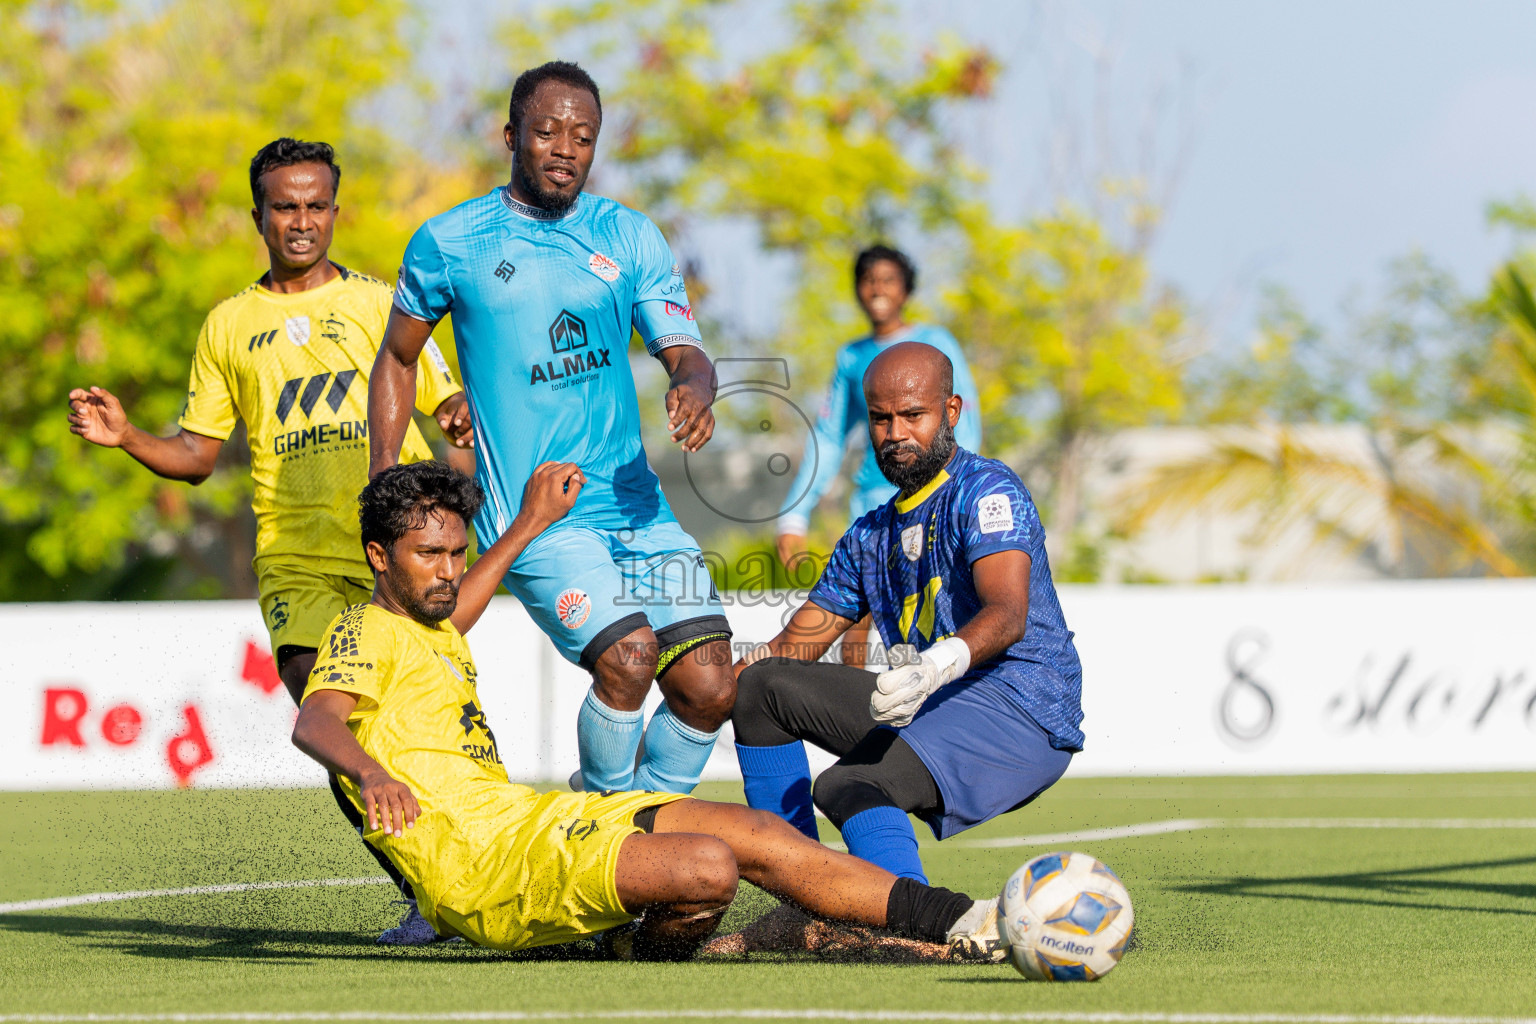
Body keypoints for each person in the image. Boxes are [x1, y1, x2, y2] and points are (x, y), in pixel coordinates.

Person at [291, 459, 1007, 961]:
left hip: (529, 823)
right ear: (379, 558)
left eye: (455, 551)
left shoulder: (428, 625)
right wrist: (371, 774)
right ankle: (624, 944)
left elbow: (467, 595)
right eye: (427, 555)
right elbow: (316, 718)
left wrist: (530, 522)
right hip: (483, 870)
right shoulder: (364, 628)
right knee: (707, 869)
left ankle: (966, 920)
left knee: (753, 830)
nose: (447, 570)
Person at [66, 137, 473, 944]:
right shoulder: (229, 326)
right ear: (258, 215)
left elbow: (446, 403)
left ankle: (464, 869)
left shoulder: (383, 305)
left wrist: (458, 417)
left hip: (391, 561)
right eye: (284, 206)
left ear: (334, 210)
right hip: (294, 559)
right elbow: (197, 457)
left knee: (413, 723)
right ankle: (425, 892)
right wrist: (128, 437)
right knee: (331, 717)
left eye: (316, 205)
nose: (301, 221)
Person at [368, 61, 735, 798]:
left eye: (583, 136)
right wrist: (382, 482)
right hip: (540, 516)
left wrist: (694, 387)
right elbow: (397, 358)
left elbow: (685, 352)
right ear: (512, 136)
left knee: (710, 686)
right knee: (629, 659)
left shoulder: (628, 236)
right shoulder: (450, 242)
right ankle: (607, 836)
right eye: (547, 132)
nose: (565, 148)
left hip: (635, 507)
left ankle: (648, 819)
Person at [733, 342, 1083, 886]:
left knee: (847, 785)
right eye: (880, 419)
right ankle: (809, 902)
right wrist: (686, 713)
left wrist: (934, 666)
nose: (894, 433)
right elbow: (791, 650)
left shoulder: (986, 489)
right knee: (761, 686)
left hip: (1021, 711)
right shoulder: (868, 535)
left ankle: (915, 923)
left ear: (952, 412)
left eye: (912, 415)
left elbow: (1008, 613)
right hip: (931, 703)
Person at [775, 245, 981, 667]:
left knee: (937, 603)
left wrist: (962, 490)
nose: (877, 288)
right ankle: (853, 717)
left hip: (934, 498)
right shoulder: (851, 358)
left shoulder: (937, 342)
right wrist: (795, 514)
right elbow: (829, 437)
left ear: (906, 290)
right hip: (873, 498)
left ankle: (934, 710)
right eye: (868, 279)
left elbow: (967, 418)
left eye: (888, 279)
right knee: (858, 608)